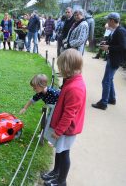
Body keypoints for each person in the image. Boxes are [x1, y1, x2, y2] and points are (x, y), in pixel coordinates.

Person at [42, 49, 86, 186]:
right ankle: (56, 172)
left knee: (64, 153)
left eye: (61, 67)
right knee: (59, 151)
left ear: (67, 68)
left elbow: (69, 114)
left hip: (67, 129)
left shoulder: (75, 88)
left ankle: (61, 181)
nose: (59, 69)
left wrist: (58, 131)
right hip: (64, 128)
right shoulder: (71, 81)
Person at [92, 12, 126, 110]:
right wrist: (106, 43)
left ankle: (103, 103)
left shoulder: (120, 31)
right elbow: (116, 43)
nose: (107, 21)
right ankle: (111, 98)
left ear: (112, 20)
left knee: (106, 81)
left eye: (108, 19)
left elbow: (123, 46)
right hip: (113, 58)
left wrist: (109, 47)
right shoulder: (117, 30)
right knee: (109, 79)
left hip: (115, 59)